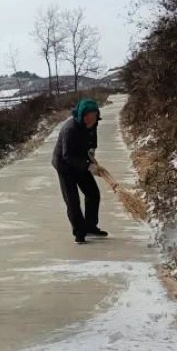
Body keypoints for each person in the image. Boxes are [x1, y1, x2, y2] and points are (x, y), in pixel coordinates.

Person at [52, 98, 107, 244]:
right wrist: (88, 166)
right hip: (65, 166)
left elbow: (92, 142)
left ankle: (90, 226)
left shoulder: (93, 124)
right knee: (73, 201)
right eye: (89, 116)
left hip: (81, 161)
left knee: (93, 193)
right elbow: (67, 155)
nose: (92, 120)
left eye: (94, 116)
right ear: (82, 115)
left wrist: (91, 154)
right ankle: (79, 232)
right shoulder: (70, 129)